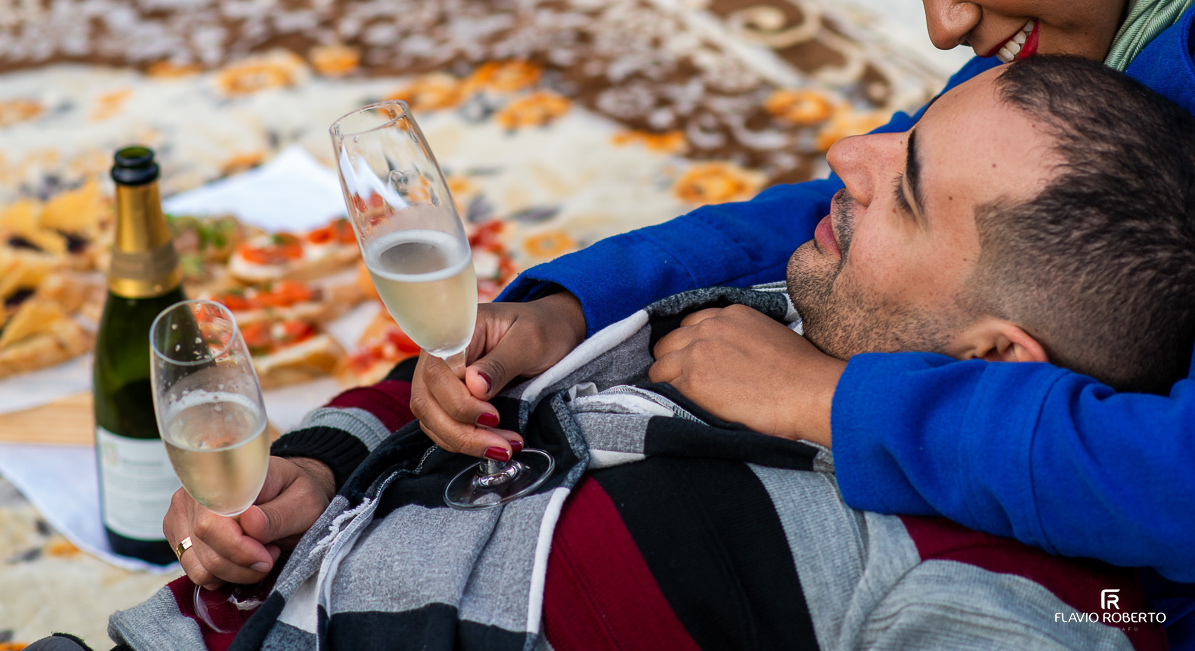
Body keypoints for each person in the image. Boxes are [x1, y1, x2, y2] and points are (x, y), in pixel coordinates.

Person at [73, 56, 1191, 651]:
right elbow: (463, 395)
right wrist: (313, 469)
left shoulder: (949, 590)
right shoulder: (776, 307)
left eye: (902, 189)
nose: (846, 149)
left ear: (995, 357)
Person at [406, 0, 1195, 646]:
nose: (942, 26)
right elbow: (832, 203)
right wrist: (572, 305)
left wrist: (825, 399)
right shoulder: (1081, 39)